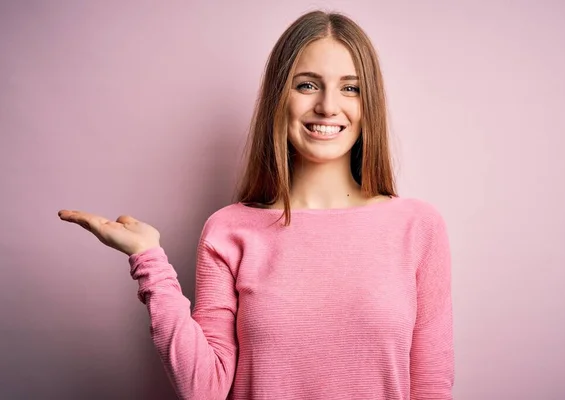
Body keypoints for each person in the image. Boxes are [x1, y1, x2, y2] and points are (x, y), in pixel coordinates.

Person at [58, 10, 454, 400]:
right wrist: (149, 260)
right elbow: (204, 389)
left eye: (351, 88)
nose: (329, 106)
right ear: (278, 97)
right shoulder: (229, 230)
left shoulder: (417, 227)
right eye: (307, 85)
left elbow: (431, 388)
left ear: (370, 105)